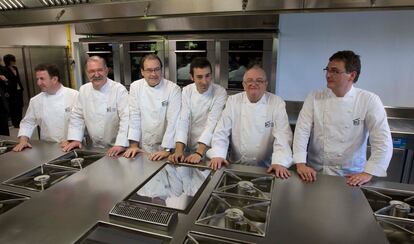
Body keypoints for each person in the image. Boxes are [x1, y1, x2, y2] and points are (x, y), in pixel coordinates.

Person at [293, 50, 393, 186]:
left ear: (351, 75)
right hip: (314, 173)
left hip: (351, 177)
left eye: (335, 71)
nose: (328, 75)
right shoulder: (315, 97)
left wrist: (368, 172)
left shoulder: (369, 100)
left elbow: (382, 141)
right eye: (327, 70)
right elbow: (301, 131)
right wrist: (300, 164)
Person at [207, 66, 293, 179]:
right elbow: (221, 130)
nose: (254, 84)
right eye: (250, 81)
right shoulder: (233, 101)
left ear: (266, 84)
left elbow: (282, 135)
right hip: (235, 167)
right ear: (243, 84)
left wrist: (280, 162)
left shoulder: (276, 103)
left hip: (267, 169)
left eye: (259, 81)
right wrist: (218, 154)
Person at [62, 56, 129, 157]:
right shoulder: (84, 90)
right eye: (92, 71)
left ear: (106, 71)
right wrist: (75, 139)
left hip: (118, 148)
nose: (96, 74)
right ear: (87, 73)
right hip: (94, 148)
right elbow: (77, 116)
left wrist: (120, 143)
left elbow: (126, 118)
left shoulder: (119, 90)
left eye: (100, 70)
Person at [169, 57, 227, 164]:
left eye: (207, 76)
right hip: (187, 147)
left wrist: (199, 153)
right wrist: (178, 150)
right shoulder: (187, 91)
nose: (204, 81)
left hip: (206, 149)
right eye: (199, 77)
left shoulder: (219, 92)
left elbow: (212, 123)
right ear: (192, 77)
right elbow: (183, 120)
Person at [123, 54, 181, 161]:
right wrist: (134, 145)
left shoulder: (173, 89)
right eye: (149, 70)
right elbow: (134, 116)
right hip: (142, 148)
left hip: (165, 148)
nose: (153, 74)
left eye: (157, 69)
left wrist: (166, 149)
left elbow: (173, 121)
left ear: (161, 70)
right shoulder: (135, 87)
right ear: (142, 72)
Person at [13, 64, 78, 152]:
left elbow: (82, 122)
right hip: (47, 148)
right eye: (37, 79)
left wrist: (73, 139)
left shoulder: (74, 95)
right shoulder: (35, 100)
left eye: (42, 79)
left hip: (72, 146)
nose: (38, 83)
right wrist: (23, 140)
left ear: (54, 79)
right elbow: (28, 122)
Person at [3, 54, 24, 128]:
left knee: (20, 105)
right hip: (11, 91)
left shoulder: (15, 68)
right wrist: (6, 92)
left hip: (19, 89)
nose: (14, 61)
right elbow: (5, 82)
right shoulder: (4, 69)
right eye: (12, 60)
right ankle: (16, 123)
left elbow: (17, 78)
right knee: (13, 107)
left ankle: (20, 121)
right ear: (8, 61)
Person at [0, 59, 9, 136]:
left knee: (4, 126)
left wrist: (5, 80)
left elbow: (6, 83)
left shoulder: (2, 70)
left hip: (2, 103)